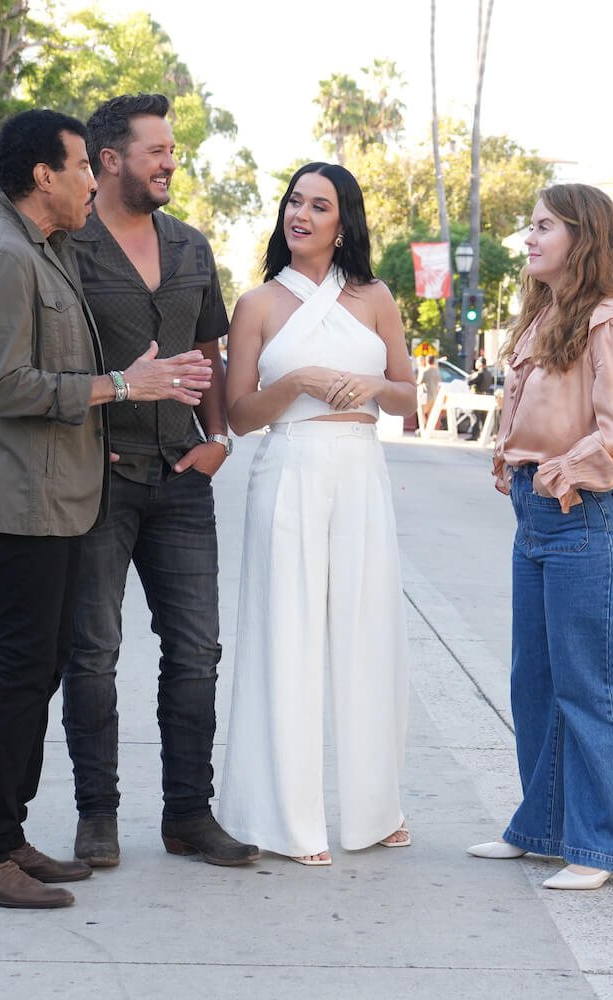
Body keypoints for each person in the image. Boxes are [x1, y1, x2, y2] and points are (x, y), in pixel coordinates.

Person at [0, 108, 212, 910]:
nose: (93, 179)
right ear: (42, 177)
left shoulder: (40, 249)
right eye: (80, 167)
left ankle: (7, 837)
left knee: (40, 668)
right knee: (22, 672)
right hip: (20, 495)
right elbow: (6, 386)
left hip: (54, 494)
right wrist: (126, 386)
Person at [57, 94, 254, 870]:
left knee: (196, 650)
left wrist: (218, 438)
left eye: (172, 151)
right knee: (93, 652)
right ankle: (96, 816)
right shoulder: (68, 248)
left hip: (182, 478)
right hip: (98, 478)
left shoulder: (191, 246)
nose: (171, 161)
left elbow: (209, 347)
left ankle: (187, 816)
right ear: (110, 160)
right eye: (156, 150)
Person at [217, 162, 418, 866]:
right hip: (289, 468)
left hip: (361, 470)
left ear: (344, 220)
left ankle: (374, 809)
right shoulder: (258, 305)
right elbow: (239, 416)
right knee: (287, 635)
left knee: (369, 633)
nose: (301, 213)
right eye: (294, 201)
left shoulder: (375, 298)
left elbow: (407, 398)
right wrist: (297, 381)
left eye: (319, 204)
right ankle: (284, 819)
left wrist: (373, 385)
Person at [467, 183, 613, 890]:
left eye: (545, 226)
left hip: (592, 513)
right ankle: (544, 827)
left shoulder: (612, 319)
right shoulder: (546, 315)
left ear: (585, 234)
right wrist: (511, 462)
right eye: (531, 227)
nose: (530, 238)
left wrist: (557, 471)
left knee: (591, 687)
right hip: (540, 513)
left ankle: (602, 847)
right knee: (535, 682)